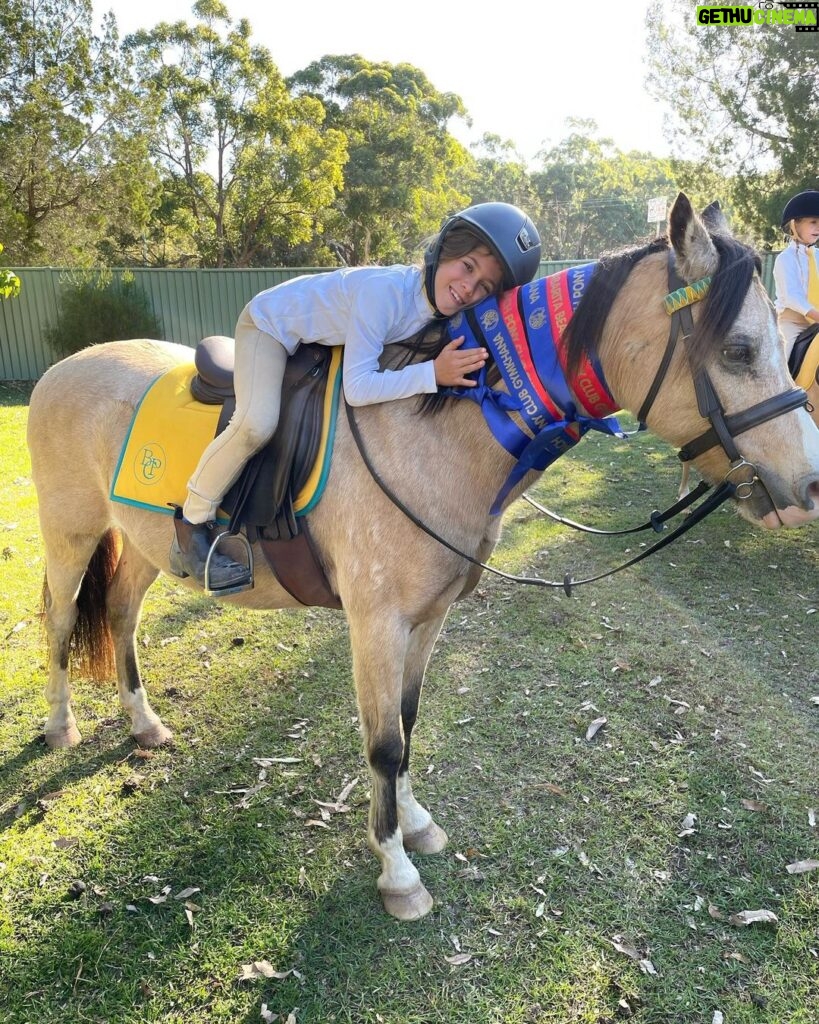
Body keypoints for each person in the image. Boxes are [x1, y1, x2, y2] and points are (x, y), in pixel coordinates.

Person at [170, 202, 542, 591]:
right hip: (270, 324)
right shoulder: (382, 294)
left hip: (319, 336)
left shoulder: (437, 309)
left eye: (484, 285)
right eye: (467, 266)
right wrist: (432, 373)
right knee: (256, 423)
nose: (470, 287)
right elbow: (359, 388)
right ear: (443, 250)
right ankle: (192, 524)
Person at [773, 189, 819, 358]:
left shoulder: (818, 256)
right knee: (781, 358)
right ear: (795, 224)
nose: (818, 227)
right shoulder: (785, 259)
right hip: (793, 322)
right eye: (813, 222)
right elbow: (792, 297)